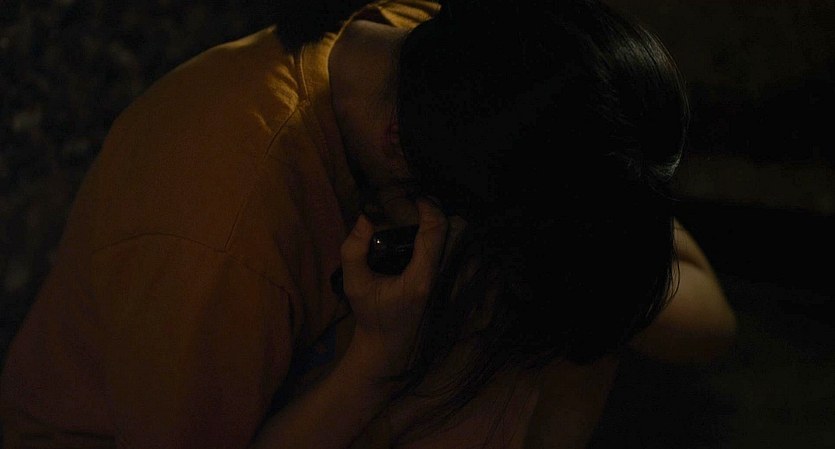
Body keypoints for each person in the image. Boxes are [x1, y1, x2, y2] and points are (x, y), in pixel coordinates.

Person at [0, 0, 737, 448]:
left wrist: (589, 274)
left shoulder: (456, 67)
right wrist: (376, 360)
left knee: (541, 325)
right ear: (397, 147)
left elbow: (707, 322)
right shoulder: (218, 232)